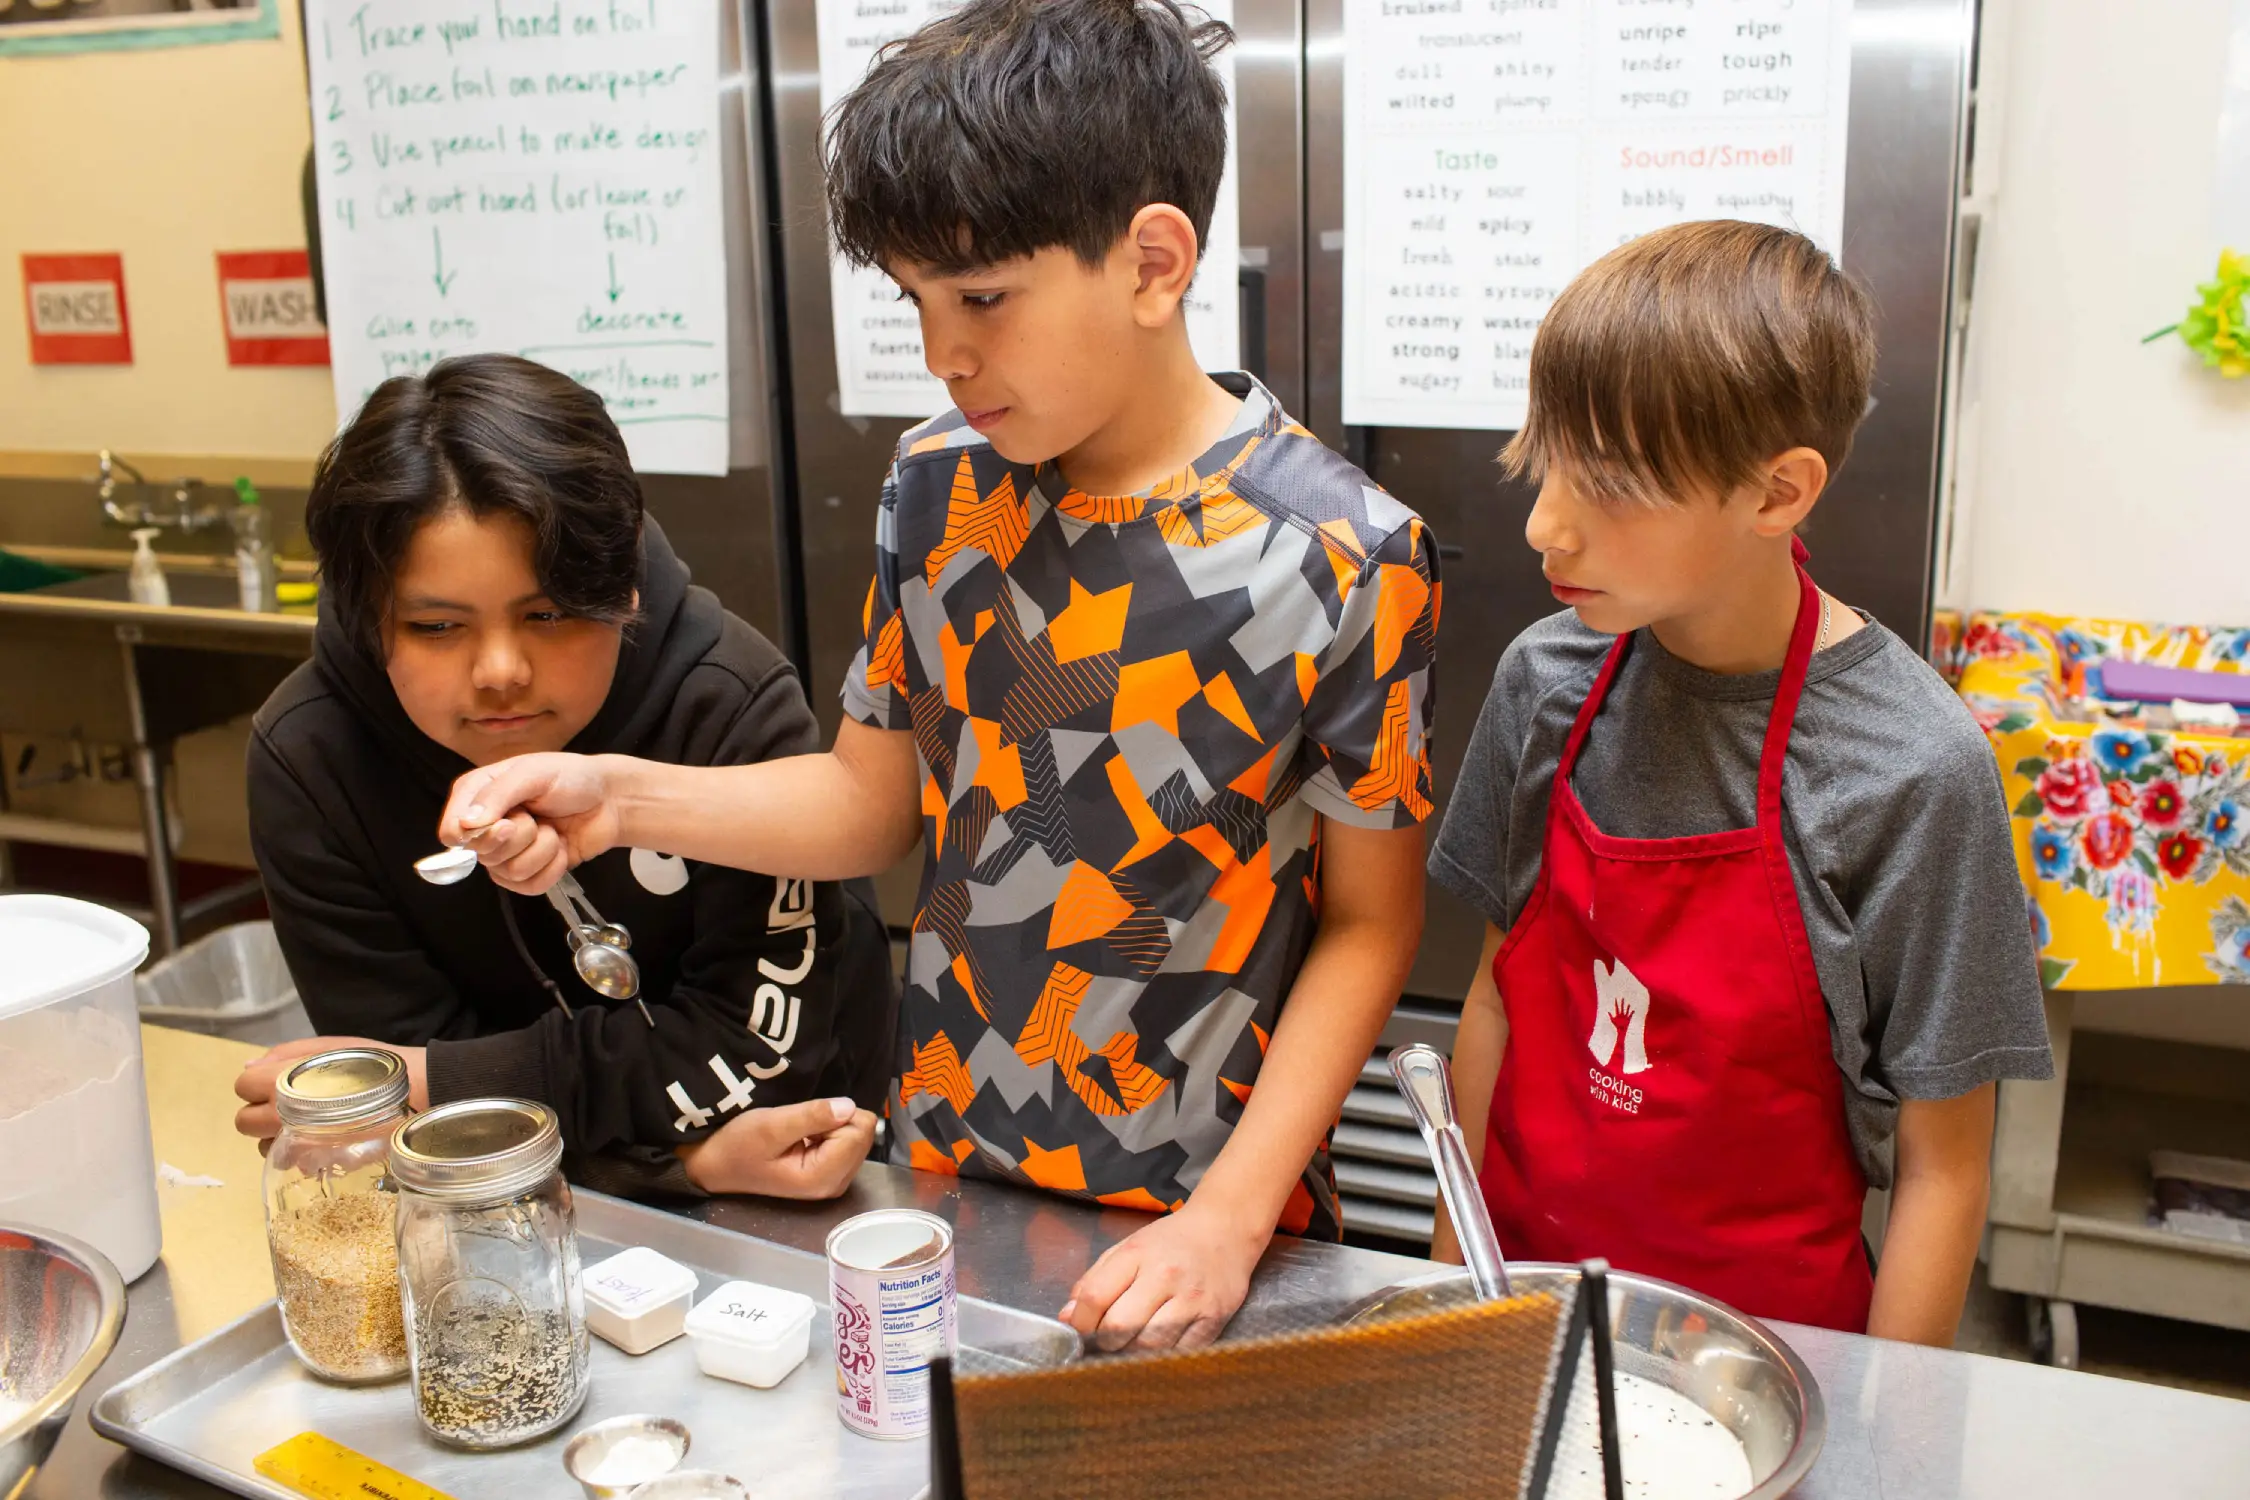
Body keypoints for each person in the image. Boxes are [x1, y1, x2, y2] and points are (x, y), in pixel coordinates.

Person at [433, 0, 1440, 1350]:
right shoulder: (938, 485)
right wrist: (614, 797)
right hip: (945, 1179)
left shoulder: (1344, 557)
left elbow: (1371, 924)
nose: (944, 354)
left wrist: (1231, 1220)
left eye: (980, 299)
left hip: (1203, 1221)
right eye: (915, 304)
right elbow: (871, 804)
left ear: (1152, 262)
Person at [1428, 220, 2053, 1344]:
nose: (1543, 525)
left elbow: (1944, 1166)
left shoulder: (1913, 768)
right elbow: (1492, 998)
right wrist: (1448, 1297)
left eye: (1608, 484)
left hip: (1772, 1359)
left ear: (1778, 494)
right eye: (1543, 460)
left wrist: (1878, 1445)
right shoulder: (1547, 681)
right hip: (1522, 1306)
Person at [234, 354, 893, 1201]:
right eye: (437, 626)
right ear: (370, 620)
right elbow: (415, 1136)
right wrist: (677, 1166)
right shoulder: (310, 760)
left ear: (617, 587)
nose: (500, 669)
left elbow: (762, 1072)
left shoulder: (724, 702)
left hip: (801, 1179)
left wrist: (450, 1080)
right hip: (504, 1212)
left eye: (548, 615)